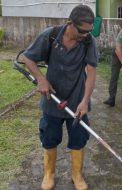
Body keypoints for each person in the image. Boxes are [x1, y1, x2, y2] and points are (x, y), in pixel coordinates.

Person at [23, 5, 98, 190]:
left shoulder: (88, 42)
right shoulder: (51, 35)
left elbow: (92, 72)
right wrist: (41, 79)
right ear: (70, 23)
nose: (86, 35)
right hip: (52, 101)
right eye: (82, 31)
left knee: (79, 139)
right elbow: (28, 58)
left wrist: (85, 101)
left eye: (89, 31)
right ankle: (49, 174)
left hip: (77, 102)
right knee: (49, 137)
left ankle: (77, 175)